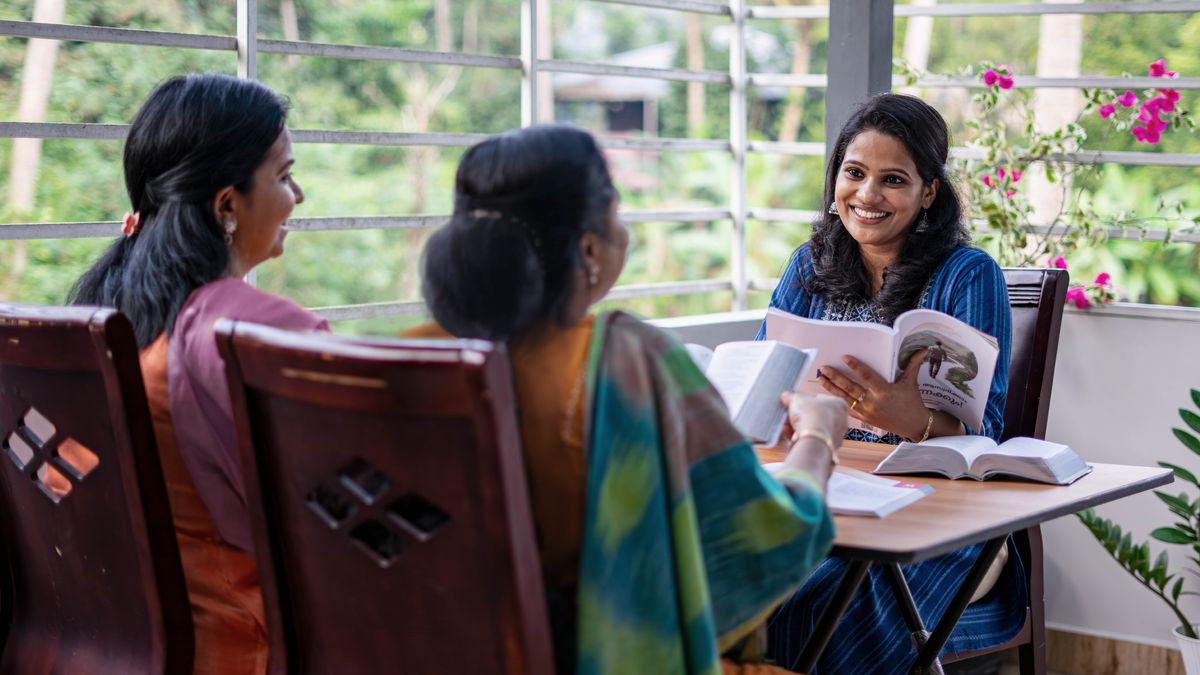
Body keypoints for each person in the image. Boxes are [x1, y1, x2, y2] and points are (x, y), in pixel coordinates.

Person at [410, 124, 847, 674]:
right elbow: (769, 538)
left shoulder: (422, 356)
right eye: (615, 208)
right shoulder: (627, 364)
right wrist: (817, 438)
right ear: (588, 248)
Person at [758, 93, 1024, 674]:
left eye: (893, 179)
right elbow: (765, 390)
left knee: (824, 602)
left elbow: (988, 439)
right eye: (854, 173)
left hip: (945, 517)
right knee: (744, 576)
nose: (867, 195)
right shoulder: (809, 266)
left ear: (929, 192)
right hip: (832, 494)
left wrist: (910, 419)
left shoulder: (967, 273)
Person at [69, 73, 325, 675]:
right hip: (245, 650)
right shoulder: (245, 334)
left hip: (117, 649)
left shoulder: (103, 319)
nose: (300, 195)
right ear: (227, 205)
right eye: (284, 176)